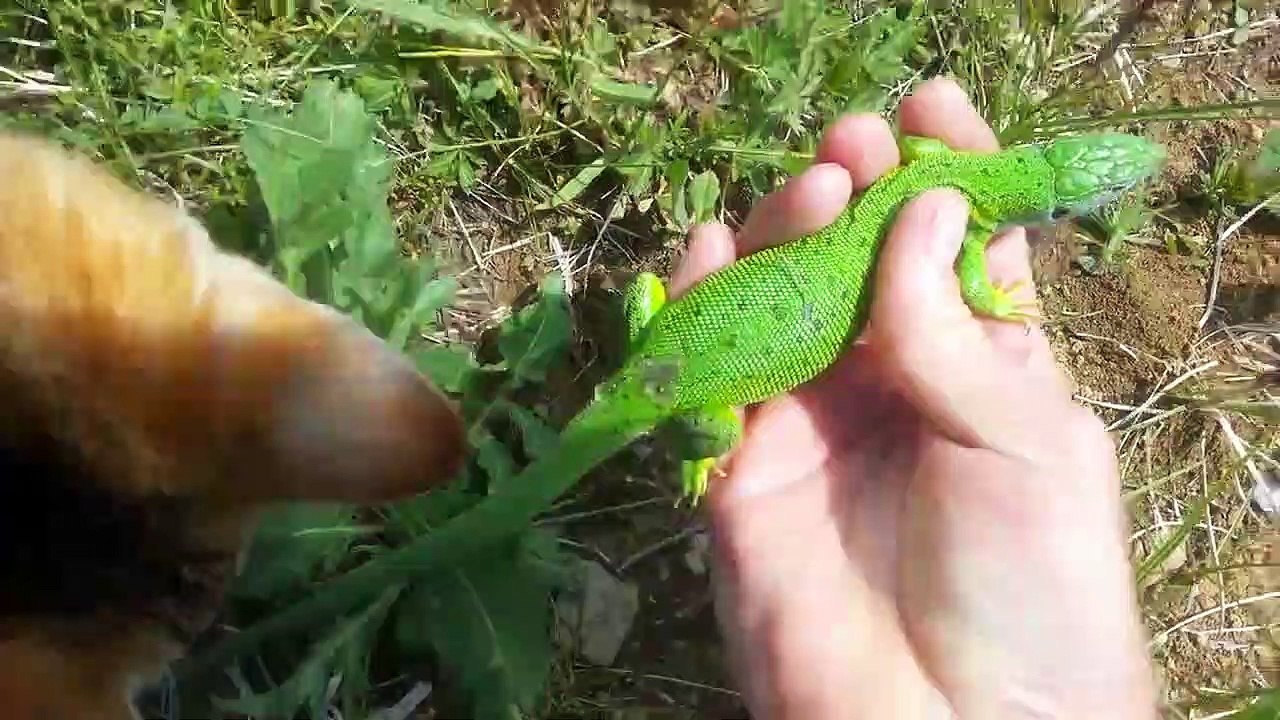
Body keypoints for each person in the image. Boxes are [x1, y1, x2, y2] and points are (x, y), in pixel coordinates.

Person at [673, 78, 1158, 718]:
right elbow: (977, 285)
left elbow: (923, 145)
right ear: (1049, 214)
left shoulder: (949, 166)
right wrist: (984, 303)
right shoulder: (972, 227)